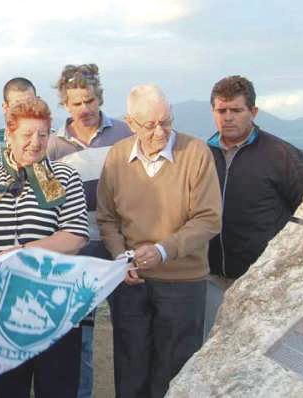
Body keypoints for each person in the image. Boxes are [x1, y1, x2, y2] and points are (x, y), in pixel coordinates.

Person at [0, 97, 89, 398]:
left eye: (43, 135)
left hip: (54, 307)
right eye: (27, 135)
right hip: (1, 308)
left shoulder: (64, 176)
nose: (36, 142)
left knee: (56, 390)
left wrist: (23, 251)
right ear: (9, 134)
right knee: (6, 391)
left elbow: (75, 236)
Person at [96, 84, 222, 398]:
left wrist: (164, 251)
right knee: (130, 367)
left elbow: (209, 219)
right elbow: (107, 219)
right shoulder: (117, 156)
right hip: (131, 281)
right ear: (130, 122)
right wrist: (119, 256)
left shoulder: (196, 154)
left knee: (175, 369)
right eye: (150, 125)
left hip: (183, 281)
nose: (160, 131)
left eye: (166, 121)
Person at [204, 76, 303, 338]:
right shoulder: (201, 155)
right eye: (222, 111)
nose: (228, 117)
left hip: (261, 280)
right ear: (213, 112)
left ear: (253, 112)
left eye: (236, 110)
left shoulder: (282, 154)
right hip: (209, 278)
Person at [52, 63, 133, 398]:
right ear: (65, 106)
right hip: (77, 250)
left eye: (88, 100)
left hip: (120, 246)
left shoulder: (124, 134)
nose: (83, 109)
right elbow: (52, 202)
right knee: (81, 338)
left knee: (128, 332)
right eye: (76, 103)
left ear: (99, 98)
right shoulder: (54, 146)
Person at [0, 77, 70, 187]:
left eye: (30, 102)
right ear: (5, 107)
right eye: (17, 106)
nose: (24, 110)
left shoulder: (54, 140)